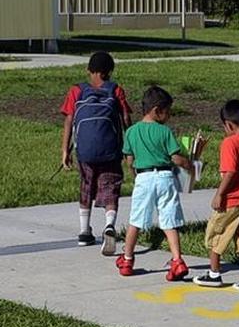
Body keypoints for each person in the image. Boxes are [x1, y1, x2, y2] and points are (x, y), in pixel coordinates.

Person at [115, 86, 195, 281]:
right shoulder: (164, 131)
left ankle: (127, 259)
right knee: (169, 220)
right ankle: (177, 260)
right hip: (165, 178)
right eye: (167, 112)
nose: (169, 116)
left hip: (143, 177)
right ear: (157, 110)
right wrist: (190, 165)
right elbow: (175, 158)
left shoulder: (132, 132)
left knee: (136, 220)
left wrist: (135, 175)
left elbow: (130, 160)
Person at [60, 51, 132, 254]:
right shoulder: (115, 90)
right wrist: (130, 147)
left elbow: (68, 120)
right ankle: (109, 225)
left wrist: (65, 149)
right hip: (110, 150)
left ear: (88, 70)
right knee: (110, 186)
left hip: (85, 152)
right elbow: (126, 119)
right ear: (109, 72)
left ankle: (84, 231)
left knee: (86, 186)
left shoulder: (77, 90)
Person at [193, 100, 239, 292]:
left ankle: (214, 274)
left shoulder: (229, 143)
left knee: (216, 233)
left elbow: (230, 172)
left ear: (229, 124)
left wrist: (219, 194)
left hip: (231, 200)